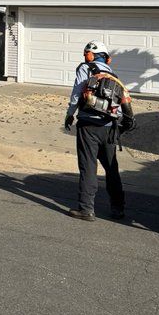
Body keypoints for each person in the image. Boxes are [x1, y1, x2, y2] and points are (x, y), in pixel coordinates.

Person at [64, 41, 135, 222]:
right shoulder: (113, 76)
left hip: (88, 126)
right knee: (112, 169)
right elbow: (122, 106)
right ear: (107, 58)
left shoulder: (85, 68)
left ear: (90, 55)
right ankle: (118, 209)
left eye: (86, 54)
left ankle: (86, 210)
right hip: (110, 128)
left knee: (88, 167)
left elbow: (76, 93)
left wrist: (70, 114)